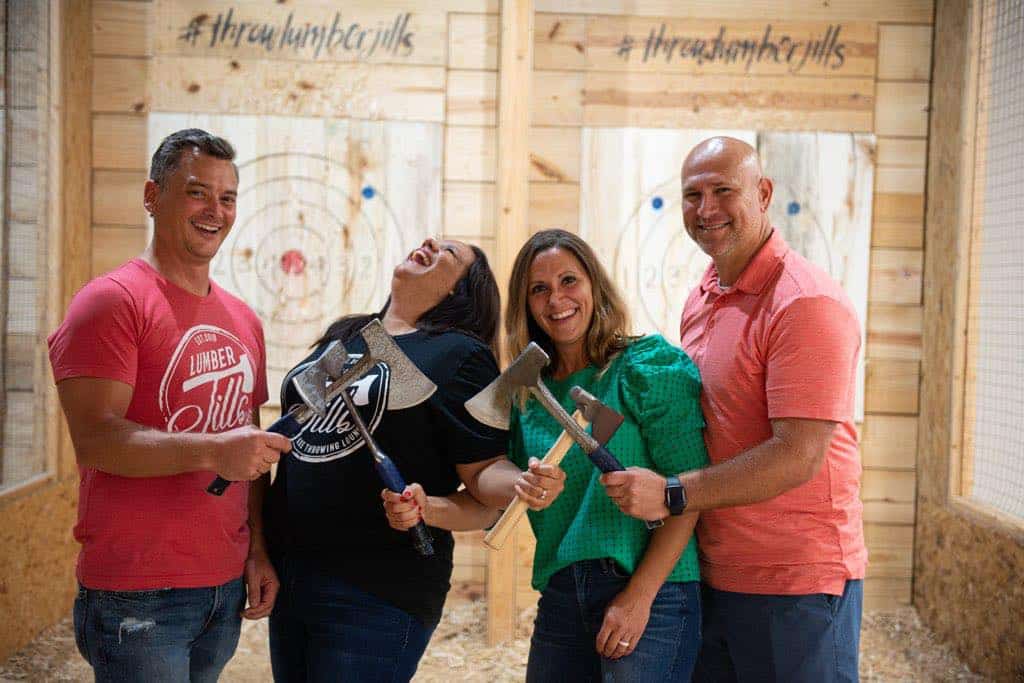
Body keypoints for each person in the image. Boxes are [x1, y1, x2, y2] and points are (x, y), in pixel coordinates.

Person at [601, 136, 867, 682]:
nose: (707, 209)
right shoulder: (704, 293)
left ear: (763, 193)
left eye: (724, 190)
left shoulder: (804, 303)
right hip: (717, 570)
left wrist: (672, 492)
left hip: (796, 580)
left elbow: (797, 456)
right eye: (692, 195)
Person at [389, 229, 708, 681]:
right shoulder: (522, 395)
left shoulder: (647, 367)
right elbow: (487, 493)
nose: (556, 299)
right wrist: (438, 507)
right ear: (526, 304)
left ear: (594, 285)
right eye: (539, 289)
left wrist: (638, 598)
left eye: (569, 281)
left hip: (652, 588)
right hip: (561, 591)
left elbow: (689, 495)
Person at [47, 129, 292, 682]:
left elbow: (247, 454)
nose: (216, 211)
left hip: (222, 585)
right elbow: (97, 440)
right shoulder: (112, 302)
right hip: (138, 593)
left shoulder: (243, 319)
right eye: (197, 192)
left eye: (228, 197)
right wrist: (212, 453)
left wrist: (256, 549)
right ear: (152, 196)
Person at [263, 237, 566, 682]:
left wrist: (523, 483)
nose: (429, 243)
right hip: (294, 575)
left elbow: (484, 474)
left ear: (463, 289)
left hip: (376, 587)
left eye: (449, 252)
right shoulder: (348, 333)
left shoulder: (460, 355)